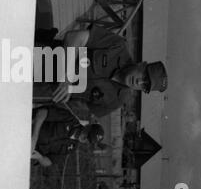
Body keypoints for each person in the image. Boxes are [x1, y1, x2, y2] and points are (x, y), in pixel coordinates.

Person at [33, 24, 168, 120]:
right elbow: (73, 37)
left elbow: (81, 112)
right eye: (144, 76)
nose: (139, 82)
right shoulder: (117, 46)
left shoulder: (116, 101)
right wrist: (66, 77)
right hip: (40, 58)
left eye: (144, 86)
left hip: (40, 92)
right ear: (142, 64)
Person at [31, 107, 104, 167]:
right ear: (88, 126)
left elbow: (49, 162)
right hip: (26, 126)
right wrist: (34, 138)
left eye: (89, 140)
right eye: (88, 135)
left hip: (28, 150)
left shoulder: (71, 148)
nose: (85, 138)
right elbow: (42, 113)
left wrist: (39, 157)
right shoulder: (69, 118)